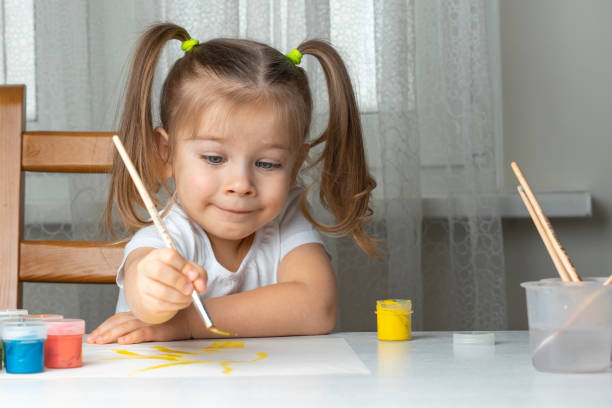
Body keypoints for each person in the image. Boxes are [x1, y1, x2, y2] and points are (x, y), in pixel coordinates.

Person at [87, 22, 378, 345]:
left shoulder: (286, 224)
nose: (241, 184)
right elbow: (145, 297)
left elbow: (317, 307)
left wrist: (186, 323)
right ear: (166, 153)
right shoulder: (162, 238)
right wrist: (153, 294)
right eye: (214, 158)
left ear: (295, 165)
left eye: (267, 163)